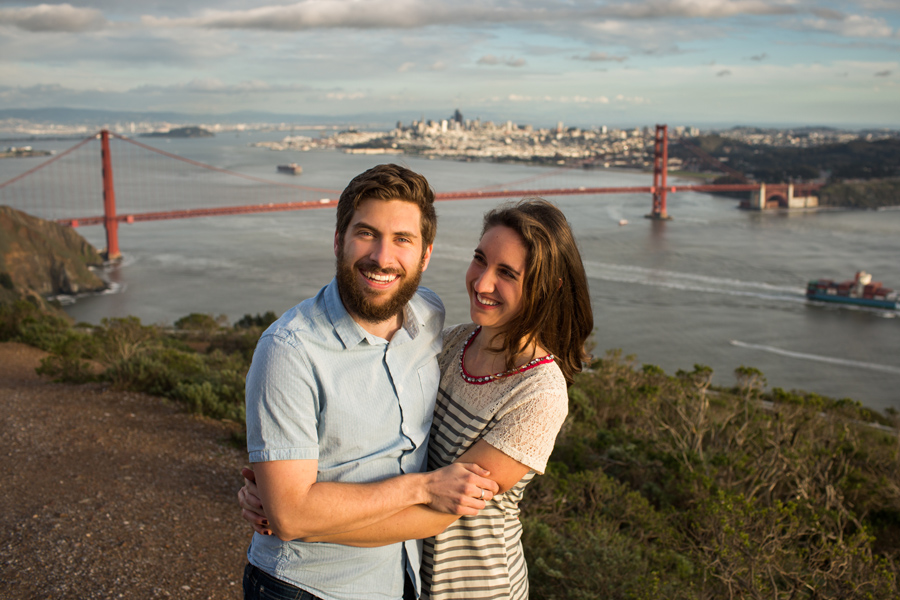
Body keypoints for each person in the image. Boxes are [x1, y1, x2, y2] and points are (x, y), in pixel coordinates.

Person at [242, 198, 594, 599]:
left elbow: (439, 513)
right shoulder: (450, 342)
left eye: (507, 274)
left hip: (476, 587)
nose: (482, 283)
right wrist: (279, 489)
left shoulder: (538, 392)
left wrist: (298, 521)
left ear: (550, 286)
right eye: (480, 260)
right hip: (408, 579)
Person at [240, 163, 500, 600]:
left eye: (402, 239)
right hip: (307, 587)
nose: (382, 257)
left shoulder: (428, 315)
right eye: (366, 233)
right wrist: (423, 487)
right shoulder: (288, 351)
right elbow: (289, 516)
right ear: (338, 240)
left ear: (425, 255)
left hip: (401, 578)